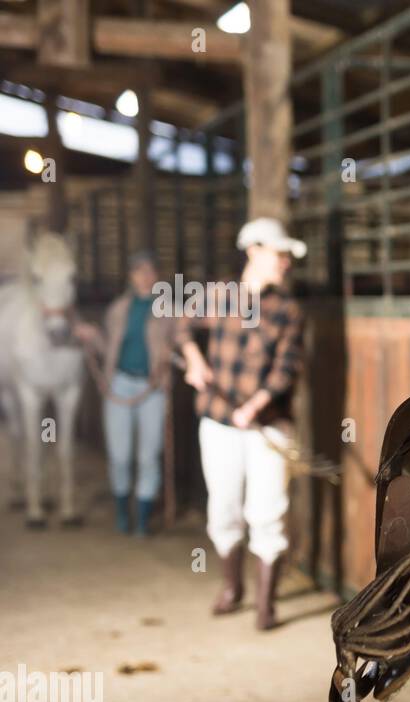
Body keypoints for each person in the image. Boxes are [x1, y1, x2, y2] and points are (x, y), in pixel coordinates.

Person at [175, 218, 307, 631]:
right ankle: (233, 588)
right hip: (218, 422)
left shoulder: (288, 310)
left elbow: (286, 370)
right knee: (223, 507)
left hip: (267, 427)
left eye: (287, 255)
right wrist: (194, 360)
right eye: (278, 253)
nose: (285, 261)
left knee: (268, 511)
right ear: (253, 250)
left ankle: (265, 604)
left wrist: (255, 407)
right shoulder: (216, 296)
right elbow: (179, 327)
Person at [73, 250, 176, 536]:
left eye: (150, 270)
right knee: (119, 455)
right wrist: (93, 337)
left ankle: (141, 519)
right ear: (130, 276)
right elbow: (109, 349)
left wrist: (174, 352)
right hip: (120, 384)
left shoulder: (167, 309)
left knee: (148, 455)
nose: (145, 276)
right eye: (139, 270)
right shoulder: (118, 310)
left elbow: (181, 337)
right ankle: (122, 511)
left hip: (152, 387)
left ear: (157, 275)